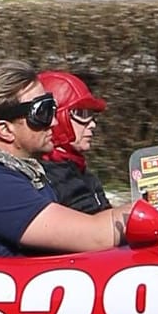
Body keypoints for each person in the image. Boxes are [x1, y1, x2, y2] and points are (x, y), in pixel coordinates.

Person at [0, 59, 127, 257]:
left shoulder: (19, 173)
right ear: (5, 130)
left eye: (52, 108)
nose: (53, 122)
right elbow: (96, 235)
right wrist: (155, 215)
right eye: (42, 112)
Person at [37, 70, 113, 214]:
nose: (92, 125)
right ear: (54, 117)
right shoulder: (45, 179)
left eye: (91, 115)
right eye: (82, 114)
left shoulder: (82, 172)